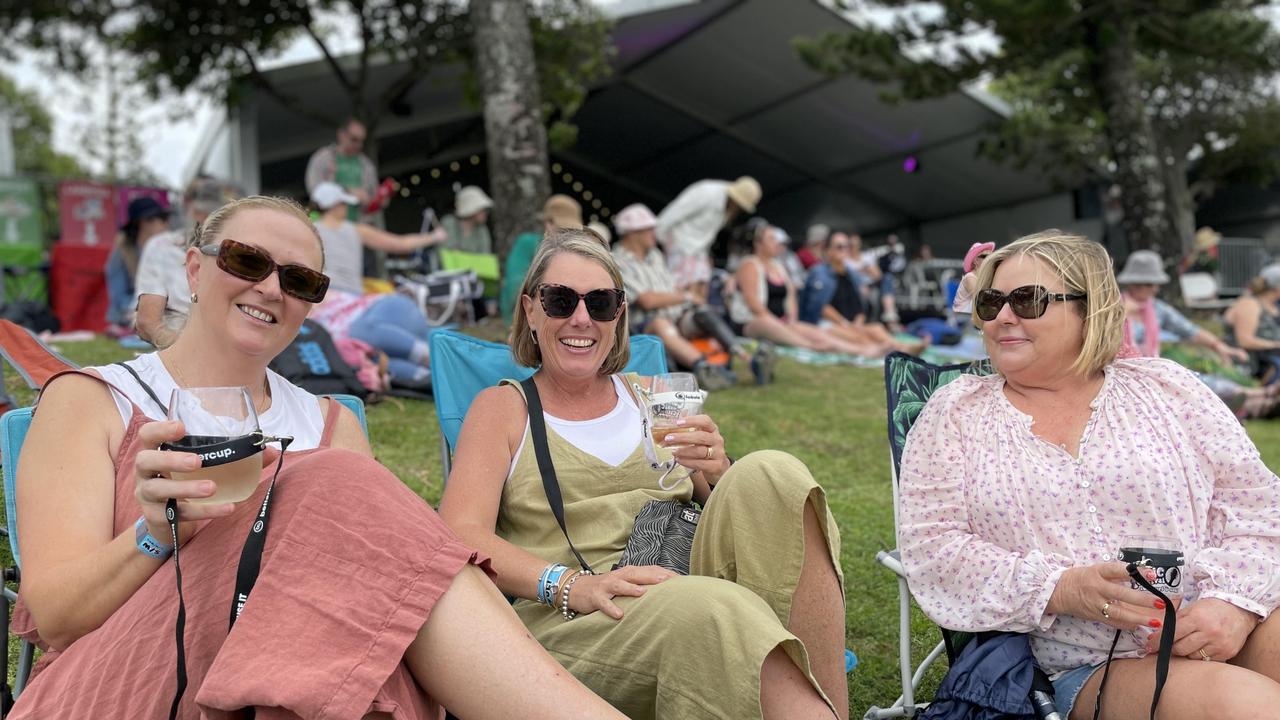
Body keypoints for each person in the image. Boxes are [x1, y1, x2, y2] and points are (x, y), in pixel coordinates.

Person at [9, 196, 628, 719]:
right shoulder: (94, 401)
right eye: (247, 261)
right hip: (121, 686)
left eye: (300, 280)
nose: (271, 287)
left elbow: (412, 587)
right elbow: (59, 619)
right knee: (335, 486)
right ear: (194, 269)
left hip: (300, 685)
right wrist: (151, 537)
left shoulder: (329, 424)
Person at [439, 230, 848, 720]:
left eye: (602, 303)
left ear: (620, 313)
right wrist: (571, 585)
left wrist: (718, 467)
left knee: (775, 474)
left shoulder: (653, 396)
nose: (581, 319)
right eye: (560, 300)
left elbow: (727, 505)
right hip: (581, 615)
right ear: (530, 310)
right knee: (709, 609)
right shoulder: (504, 409)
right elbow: (460, 534)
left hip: (684, 574)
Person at [899, 230, 1280, 720]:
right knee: (1243, 708)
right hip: (1086, 660)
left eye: (1028, 300)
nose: (1003, 316)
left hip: (1219, 616)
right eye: (991, 302)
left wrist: (1236, 604)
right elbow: (935, 549)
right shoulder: (957, 413)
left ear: (1090, 308)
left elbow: (1261, 508)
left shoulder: (1169, 389)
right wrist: (1060, 587)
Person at [611, 203, 775, 389]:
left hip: (676, 317)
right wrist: (687, 297)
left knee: (703, 313)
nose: (654, 233)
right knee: (661, 324)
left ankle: (747, 357)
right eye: (649, 229)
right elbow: (647, 301)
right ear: (632, 233)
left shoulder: (655, 255)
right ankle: (706, 369)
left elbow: (671, 289)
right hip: (643, 326)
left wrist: (689, 293)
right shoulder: (617, 260)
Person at [309, 182, 443, 385]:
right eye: (344, 204)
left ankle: (426, 374)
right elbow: (399, 244)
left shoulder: (309, 230)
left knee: (360, 352)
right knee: (364, 343)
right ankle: (435, 368)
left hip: (324, 305)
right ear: (336, 205)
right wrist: (434, 236)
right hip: (353, 302)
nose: (347, 209)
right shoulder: (355, 229)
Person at [729, 221, 885, 357]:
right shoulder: (749, 264)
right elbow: (755, 306)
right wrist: (781, 324)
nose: (777, 242)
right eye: (772, 238)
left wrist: (791, 319)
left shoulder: (778, 266)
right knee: (785, 329)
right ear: (758, 243)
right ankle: (814, 348)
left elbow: (790, 297)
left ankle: (862, 350)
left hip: (782, 322)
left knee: (817, 333)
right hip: (753, 322)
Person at [134, 177, 241, 348]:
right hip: (181, 343)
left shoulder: (247, 255)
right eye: (211, 214)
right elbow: (147, 323)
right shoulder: (163, 247)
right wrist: (189, 352)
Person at [799, 233, 926, 355]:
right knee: (856, 335)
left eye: (847, 246)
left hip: (848, 323)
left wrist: (857, 323)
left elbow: (859, 307)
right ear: (828, 251)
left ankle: (901, 348)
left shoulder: (851, 275)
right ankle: (885, 351)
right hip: (824, 323)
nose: (845, 250)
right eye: (839, 247)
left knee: (876, 328)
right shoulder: (819, 272)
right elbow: (821, 307)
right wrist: (845, 324)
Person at [1116, 250, 1247, 364]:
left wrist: (1219, 346)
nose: (1155, 289)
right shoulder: (1113, 308)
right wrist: (1124, 313)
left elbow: (1189, 329)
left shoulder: (1157, 308)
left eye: (1157, 284)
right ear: (1133, 284)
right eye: (1150, 284)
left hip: (1150, 367)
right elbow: (1104, 340)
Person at [656, 176, 762, 295]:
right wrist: (655, 239)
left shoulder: (729, 210)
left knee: (702, 287)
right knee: (678, 288)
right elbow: (674, 212)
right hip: (679, 243)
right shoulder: (707, 192)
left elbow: (708, 233)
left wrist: (706, 255)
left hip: (698, 251)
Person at [500, 194, 584, 324]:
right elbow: (515, 286)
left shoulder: (577, 251)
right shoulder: (528, 244)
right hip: (524, 321)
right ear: (548, 223)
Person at [106, 197, 171, 335]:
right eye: (159, 218)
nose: (165, 224)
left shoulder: (169, 248)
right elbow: (119, 299)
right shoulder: (122, 252)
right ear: (142, 223)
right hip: (129, 316)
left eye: (164, 218)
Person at [305, 118, 379, 222]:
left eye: (362, 141)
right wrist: (348, 191)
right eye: (354, 139)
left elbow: (374, 196)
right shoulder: (322, 158)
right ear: (341, 134)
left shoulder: (366, 164)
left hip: (360, 223)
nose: (359, 145)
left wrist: (372, 200)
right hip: (329, 223)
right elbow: (315, 191)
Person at [1223, 263, 1280, 385]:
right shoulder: (1250, 305)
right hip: (1249, 364)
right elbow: (1244, 340)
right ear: (1277, 287)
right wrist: (1275, 344)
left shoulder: (1274, 305)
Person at [441, 185, 494, 254]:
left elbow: (485, 255)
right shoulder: (449, 222)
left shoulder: (482, 230)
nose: (485, 213)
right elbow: (446, 251)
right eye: (482, 209)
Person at [953, 241, 995, 314]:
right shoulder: (969, 277)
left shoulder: (987, 276)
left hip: (977, 314)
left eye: (991, 256)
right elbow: (981, 298)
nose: (989, 259)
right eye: (985, 256)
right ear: (976, 260)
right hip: (964, 316)